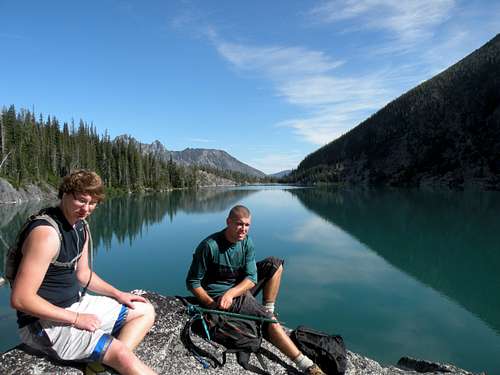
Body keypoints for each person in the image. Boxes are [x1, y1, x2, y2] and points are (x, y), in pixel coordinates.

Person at [10, 170, 157, 375]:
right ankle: (114, 357)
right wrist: (76, 318)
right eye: (81, 201)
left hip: (76, 304)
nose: (86, 209)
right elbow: (20, 299)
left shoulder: (81, 227)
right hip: (42, 324)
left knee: (144, 309)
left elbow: (83, 274)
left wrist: (118, 294)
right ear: (64, 194)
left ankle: (100, 364)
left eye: (93, 203)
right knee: (123, 356)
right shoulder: (46, 234)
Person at [186, 205, 325, 375]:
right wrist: (211, 304)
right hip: (220, 295)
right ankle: (307, 366)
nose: (243, 229)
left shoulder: (246, 243)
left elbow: (251, 278)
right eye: (239, 224)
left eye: (247, 225)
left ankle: (267, 311)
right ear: (228, 222)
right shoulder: (210, 246)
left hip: (236, 290)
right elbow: (193, 282)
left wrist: (232, 293)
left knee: (275, 264)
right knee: (269, 320)